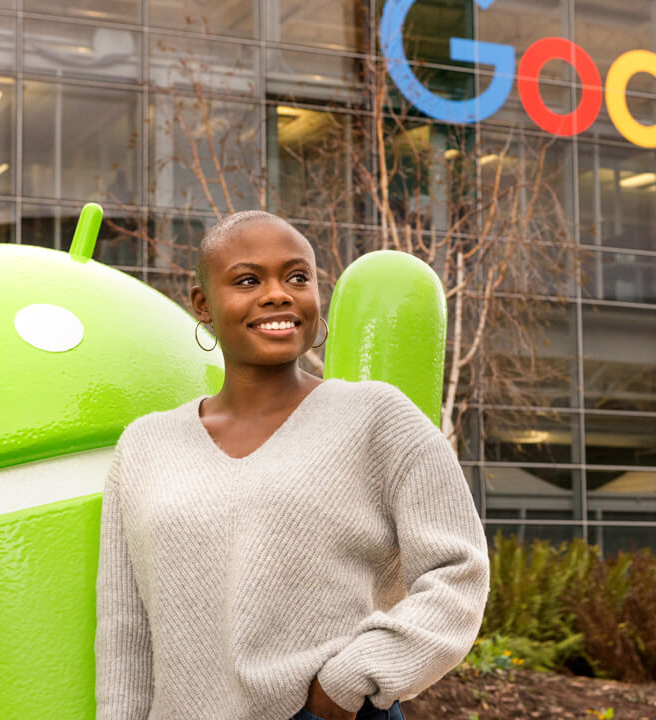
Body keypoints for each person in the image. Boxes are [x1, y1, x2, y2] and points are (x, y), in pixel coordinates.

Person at [95, 210, 490, 720]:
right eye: (247, 280)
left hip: (329, 712)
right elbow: (126, 628)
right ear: (203, 304)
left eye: (297, 277)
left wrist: (352, 680)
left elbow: (459, 569)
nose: (279, 294)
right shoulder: (145, 446)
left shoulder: (378, 416)